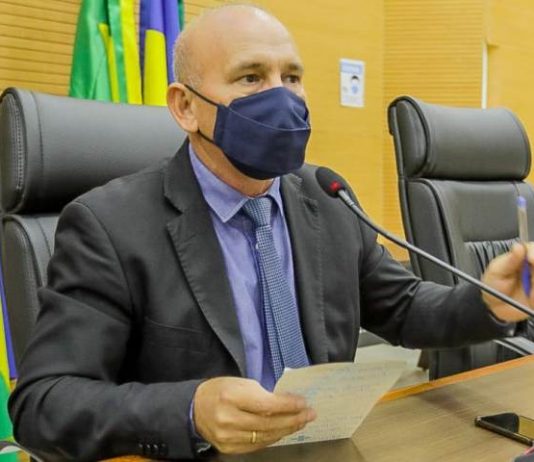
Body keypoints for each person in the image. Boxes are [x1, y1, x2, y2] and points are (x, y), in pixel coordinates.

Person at [8, 4, 534, 461]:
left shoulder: (326, 198)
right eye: (251, 78)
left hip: (325, 447)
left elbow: (403, 308)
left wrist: (489, 302)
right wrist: (190, 410)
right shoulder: (109, 225)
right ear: (185, 106)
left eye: (293, 77)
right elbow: (43, 404)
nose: (281, 98)